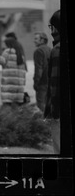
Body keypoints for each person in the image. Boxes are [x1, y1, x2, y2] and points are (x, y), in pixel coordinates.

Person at [0, 38, 27, 105]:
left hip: (9, 87)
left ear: (8, 44)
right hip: (18, 88)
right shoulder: (20, 55)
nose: (3, 46)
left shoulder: (8, 52)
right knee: (17, 108)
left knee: (8, 108)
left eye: (4, 44)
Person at [44, 10, 60, 154]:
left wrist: (53, 112)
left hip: (59, 112)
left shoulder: (57, 50)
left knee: (59, 150)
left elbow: (55, 85)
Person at [33, 32, 51, 112]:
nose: (34, 41)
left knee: (41, 106)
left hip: (42, 83)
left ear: (42, 40)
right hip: (50, 82)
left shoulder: (38, 51)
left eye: (36, 39)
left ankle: (44, 123)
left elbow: (38, 68)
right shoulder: (50, 49)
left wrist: (36, 83)